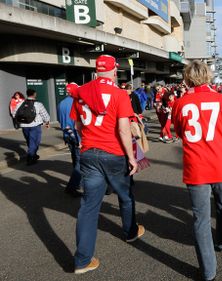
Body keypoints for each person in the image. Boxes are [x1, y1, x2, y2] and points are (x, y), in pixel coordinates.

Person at [172, 60, 222, 281]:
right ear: (208, 77)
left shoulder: (180, 104)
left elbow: (179, 132)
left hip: (196, 167)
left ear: (187, 79)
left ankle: (208, 272)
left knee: (201, 219)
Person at [71, 54, 144, 274]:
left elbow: (77, 126)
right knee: (125, 195)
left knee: (88, 207)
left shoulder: (81, 92)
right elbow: (123, 129)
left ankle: (82, 260)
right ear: (113, 71)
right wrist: (132, 158)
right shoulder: (119, 93)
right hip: (113, 154)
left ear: (96, 71)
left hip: (89, 153)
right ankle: (130, 231)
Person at [12, 89, 50, 165]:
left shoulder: (20, 103)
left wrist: (20, 122)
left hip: (24, 126)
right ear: (34, 94)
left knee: (29, 141)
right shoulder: (38, 104)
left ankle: (34, 155)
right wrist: (47, 122)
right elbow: (45, 115)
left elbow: (14, 114)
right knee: (35, 142)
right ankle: (30, 157)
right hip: (35, 125)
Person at [57, 82, 82, 197]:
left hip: (67, 135)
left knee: (75, 159)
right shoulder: (77, 102)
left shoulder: (61, 103)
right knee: (80, 163)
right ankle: (72, 186)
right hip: (77, 136)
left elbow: (59, 119)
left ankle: (78, 183)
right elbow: (78, 123)